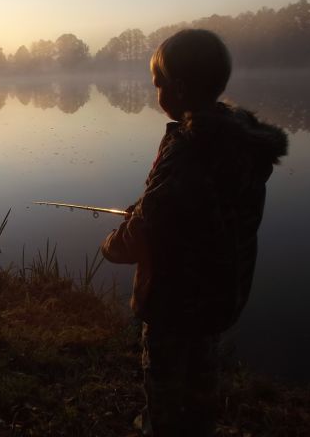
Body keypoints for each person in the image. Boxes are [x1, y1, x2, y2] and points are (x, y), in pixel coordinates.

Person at [101, 29, 288, 436]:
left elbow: (146, 229)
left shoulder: (188, 151)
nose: (156, 92)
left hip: (174, 299)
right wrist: (152, 206)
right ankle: (201, 424)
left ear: (179, 89)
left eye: (157, 84)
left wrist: (111, 245)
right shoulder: (241, 145)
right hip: (222, 290)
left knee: (165, 374)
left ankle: (161, 425)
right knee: (204, 366)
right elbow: (199, 210)